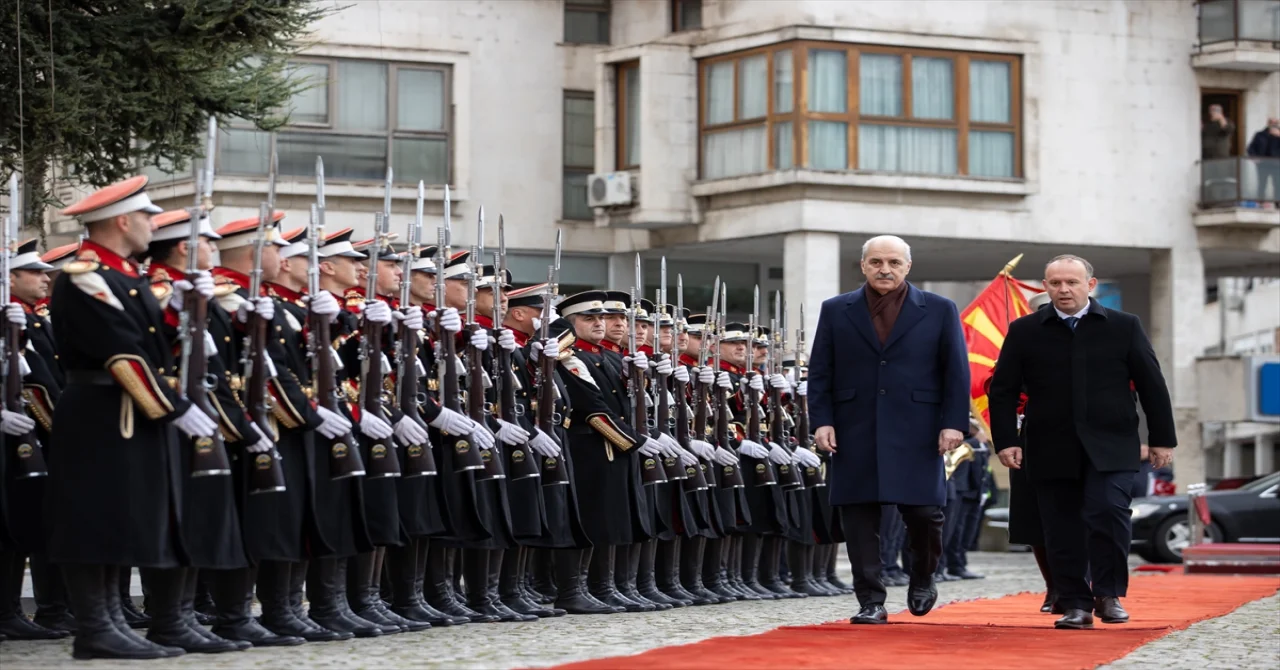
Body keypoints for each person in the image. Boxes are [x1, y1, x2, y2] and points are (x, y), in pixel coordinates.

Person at [49, 175, 220, 660]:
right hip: (101, 410)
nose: (153, 225)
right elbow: (121, 355)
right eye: (146, 217)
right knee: (93, 519)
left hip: (126, 411)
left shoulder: (124, 277)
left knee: (118, 518)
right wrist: (174, 408)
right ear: (122, 221)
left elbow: (150, 343)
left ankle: (111, 623)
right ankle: (95, 627)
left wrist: (183, 313)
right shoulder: (87, 278)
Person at [989, 254, 1176, 630]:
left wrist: (1161, 440)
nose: (1063, 290)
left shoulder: (1124, 326)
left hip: (1112, 443)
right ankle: (1074, 602)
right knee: (1060, 526)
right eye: (1055, 283)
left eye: (1071, 282)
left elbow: (1153, 385)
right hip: (1049, 444)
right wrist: (1006, 440)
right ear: (1045, 286)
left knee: (1108, 513)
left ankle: (1108, 594)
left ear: (1090, 285)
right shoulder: (1025, 330)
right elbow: (1003, 390)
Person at [808, 234, 970, 625]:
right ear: (863, 265)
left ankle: (923, 575)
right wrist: (822, 420)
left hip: (918, 427)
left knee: (925, 513)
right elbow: (820, 371)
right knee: (858, 515)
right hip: (853, 426)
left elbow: (956, 371)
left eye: (894, 262)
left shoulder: (938, 309)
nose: (885, 269)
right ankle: (870, 601)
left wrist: (953, 423)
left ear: (907, 267)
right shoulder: (836, 309)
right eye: (877, 262)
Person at [1246, 117, 1280, 206]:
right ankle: (1260, 203)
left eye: (1275, 122)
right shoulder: (1260, 135)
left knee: (1277, 185)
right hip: (1263, 164)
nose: (1274, 124)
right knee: (1262, 184)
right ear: (1268, 123)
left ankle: (1278, 205)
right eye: (1271, 122)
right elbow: (1251, 148)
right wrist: (1254, 158)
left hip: (1276, 165)